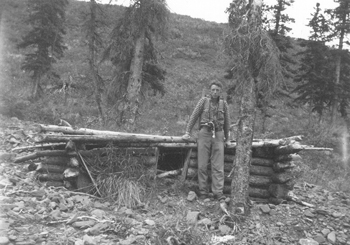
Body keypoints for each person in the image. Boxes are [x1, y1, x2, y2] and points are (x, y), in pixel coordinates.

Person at [182, 80, 231, 200]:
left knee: (218, 165)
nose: (215, 92)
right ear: (210, 90)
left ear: (220, 92)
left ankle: (218, 192)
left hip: (218, 134)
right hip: (204, 133)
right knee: (202, 164)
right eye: (213, 89)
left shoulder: (224, 104)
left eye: (217, 90)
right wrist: (187, 132)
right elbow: (194, 116)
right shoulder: (203, 101)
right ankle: (203, 191)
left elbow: (227, 123)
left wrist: (228, 138)